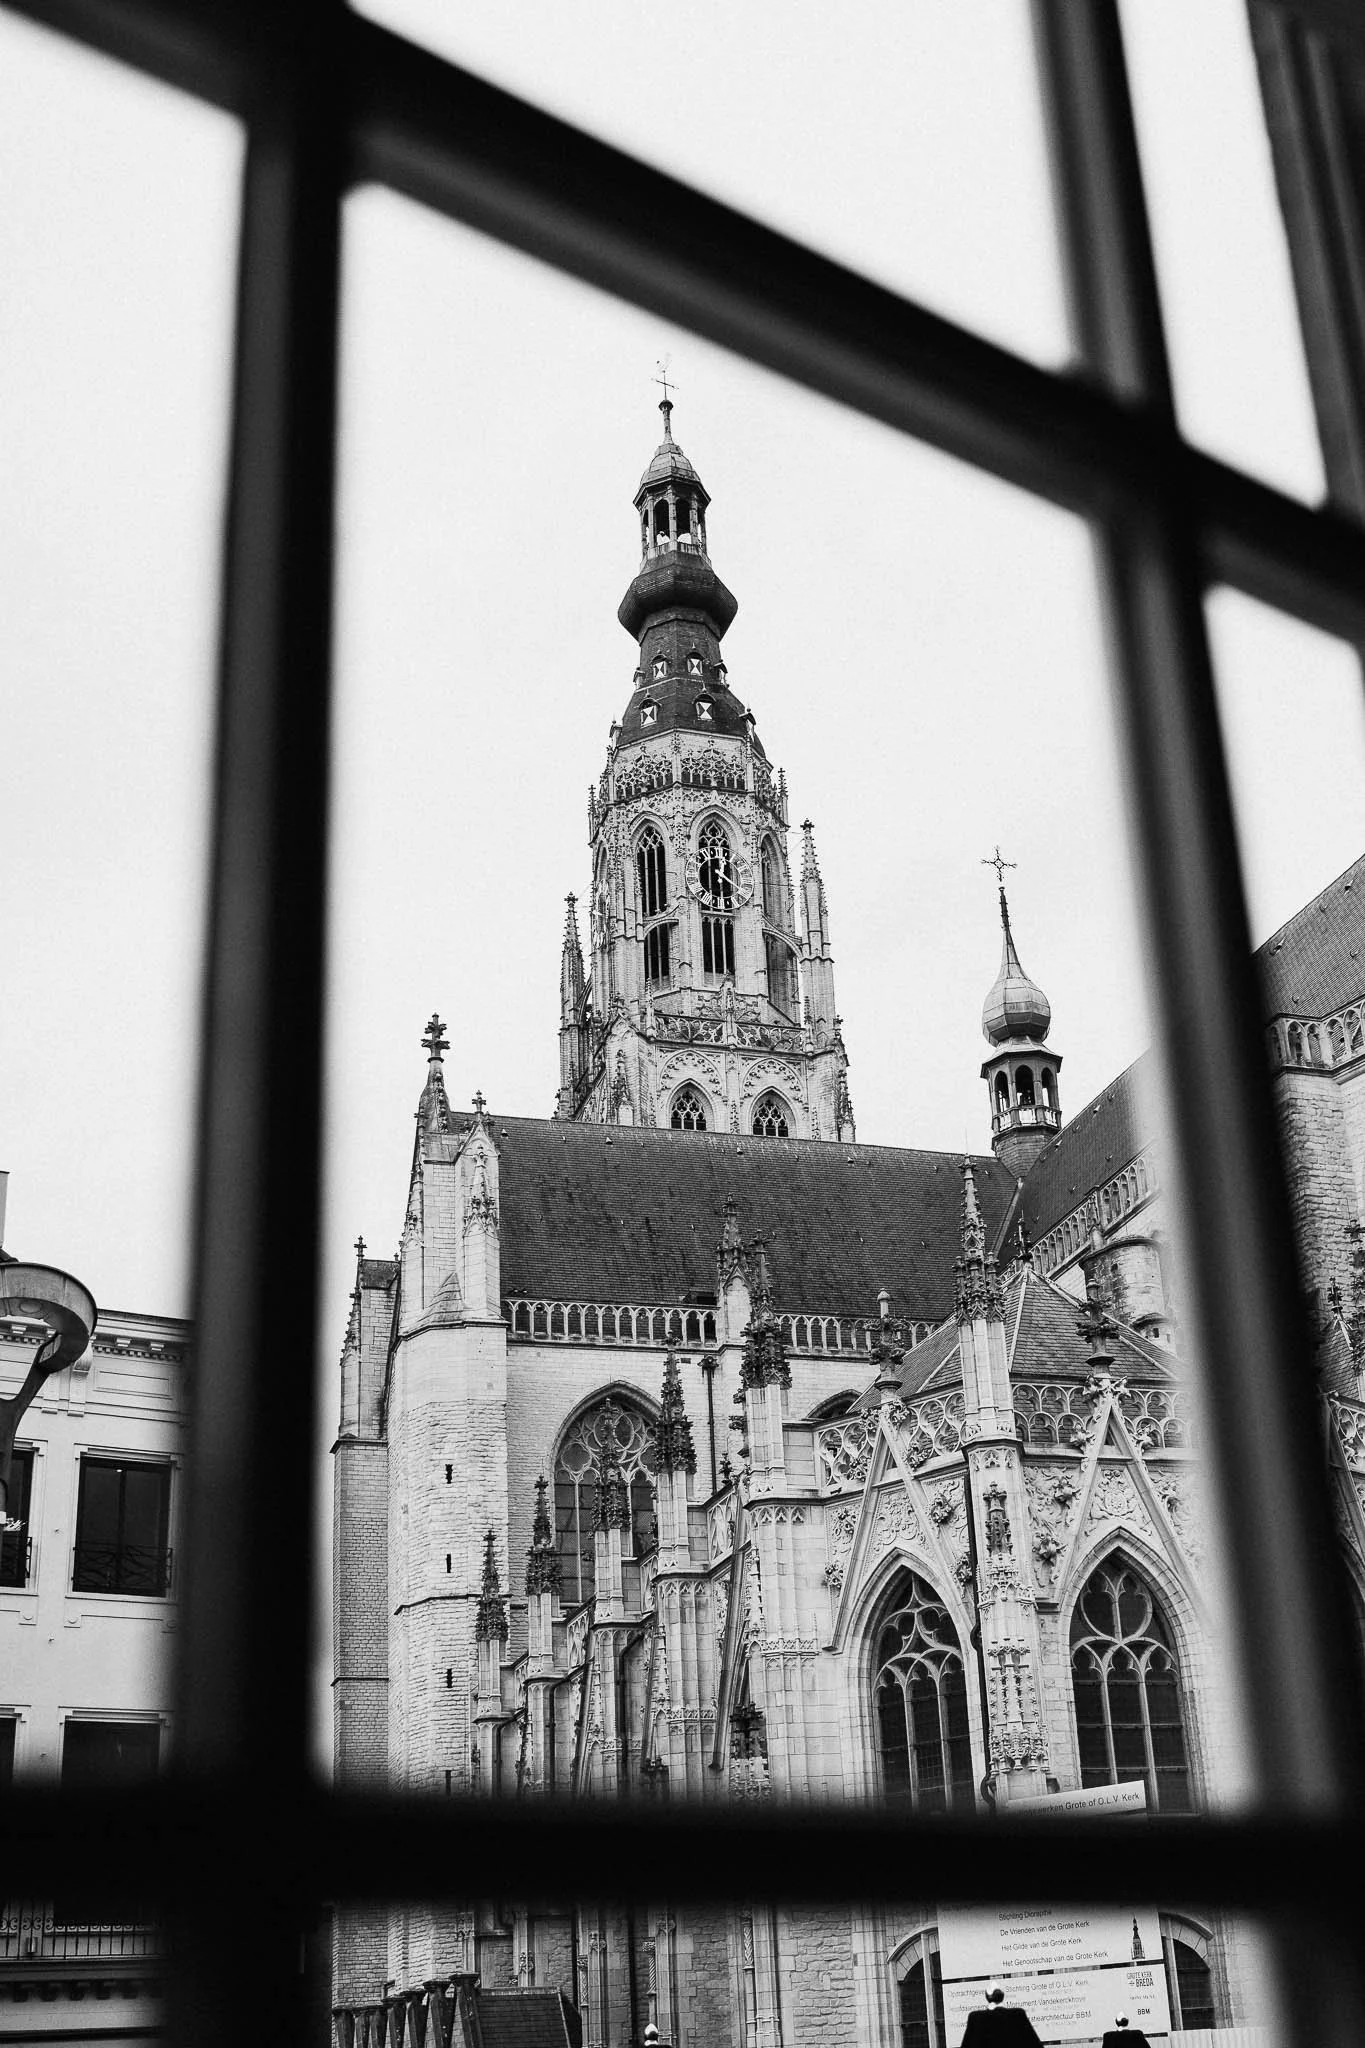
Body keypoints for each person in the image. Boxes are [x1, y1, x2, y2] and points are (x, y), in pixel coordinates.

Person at [959, 1982, 1043, 2047]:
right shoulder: (1018, 2015)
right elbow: (1034, 2043)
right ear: (1002, 1996)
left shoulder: (976, 2018)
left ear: (987, 1997)